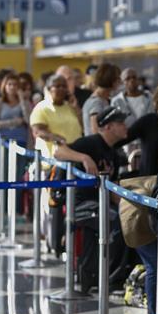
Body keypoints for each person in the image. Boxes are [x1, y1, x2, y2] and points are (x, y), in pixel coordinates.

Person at [54, 106, 130, 292]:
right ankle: (102, 276)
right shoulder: (89, 143)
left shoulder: (114, 153)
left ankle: (102, 276)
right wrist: (84, 158)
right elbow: (58, 152)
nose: (125, 127)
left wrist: (129, 207)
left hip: (100, 203)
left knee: (127, 221)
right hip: (78, 203)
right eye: (120, 123)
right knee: (113, 222)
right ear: (108, 127)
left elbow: (111, 187)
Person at [30, 74, 83, 161]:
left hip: (75, 155)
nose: (61, 89)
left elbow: (82, 126)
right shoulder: (42, 108)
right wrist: (56, 139)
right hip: (52, 160)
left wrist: (76, 108)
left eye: (64, 86)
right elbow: (38, 131)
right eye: (57, 86)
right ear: (49, 89)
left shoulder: (70, 107)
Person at [82, 62, 121, 136]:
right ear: (113, 81)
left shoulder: (102, 99)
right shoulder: (96, 102)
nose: (120, 81)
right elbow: (96, 131)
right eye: (118, 78)